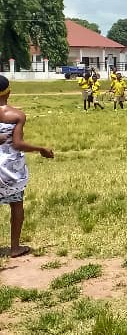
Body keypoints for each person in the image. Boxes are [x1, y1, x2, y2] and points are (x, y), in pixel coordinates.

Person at [0, 76, 54, 258]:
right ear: (8, 92)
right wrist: (41, 149)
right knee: (16, 205)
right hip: (9, 168)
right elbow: (17, 144)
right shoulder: (16, 115)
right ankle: (15, 247)